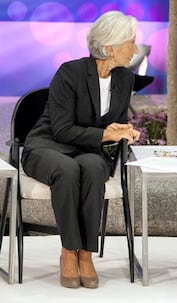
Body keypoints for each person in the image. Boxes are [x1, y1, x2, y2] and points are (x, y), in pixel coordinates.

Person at [21, 11, 141, 289]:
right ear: (110, 47)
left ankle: (86, 253)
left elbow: (113, 124)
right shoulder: (70, 72)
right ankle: (68, 251)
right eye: (131, 43)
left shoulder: (125, 78)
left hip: (87, 149)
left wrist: (122, 131)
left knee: (96, 167)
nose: (135, 49)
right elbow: (61, 129)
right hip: (47, 146)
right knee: (67, 169)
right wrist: (105, 133)